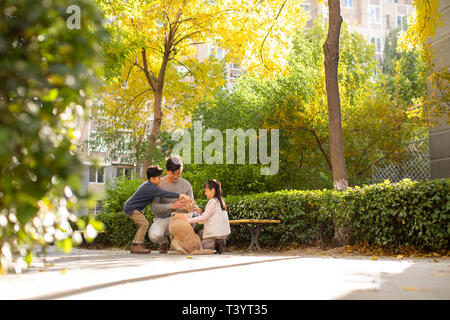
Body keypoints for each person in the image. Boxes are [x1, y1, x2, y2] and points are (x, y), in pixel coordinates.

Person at [123, 165, 192, 254]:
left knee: (143, 224)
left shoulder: (148, 185)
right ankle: (136, 245)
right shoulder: (152, 188)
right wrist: (180, 195)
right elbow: (165, 193)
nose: (160, 180)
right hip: (132, 208)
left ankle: (138, 243)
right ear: (152, 178)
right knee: (144, 224)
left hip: (132, 207)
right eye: (159, 178)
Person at [149, 155, 202, 253]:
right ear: (166, 170)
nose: (176, 176)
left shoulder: (186, 185)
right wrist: (172, 206)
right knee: (154, 235)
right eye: (173, 173)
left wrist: (196, 208)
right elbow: (154, 207)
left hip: (181, 219)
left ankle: (182, 244)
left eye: (179, 173)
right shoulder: (159, 184)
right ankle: (164, 242)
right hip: (164, 219)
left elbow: (192, 203)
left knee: (193, 215)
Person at [187, 179, 231, 254]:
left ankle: (215, 244)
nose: (205, 193)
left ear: (212, 190)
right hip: (223, 232)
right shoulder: (220, 201)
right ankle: (219, 242)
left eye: (206, 191)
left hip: (214, 233)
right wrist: (201, 213)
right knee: (201, 233)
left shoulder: (212, 202)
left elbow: (204, 218)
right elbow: (210, 216)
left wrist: (188, 220)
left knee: (203, 248)